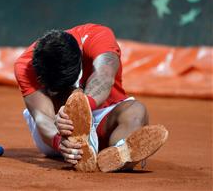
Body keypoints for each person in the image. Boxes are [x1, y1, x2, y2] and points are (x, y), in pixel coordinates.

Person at [14, 23, 168, 172]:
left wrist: (80, 109)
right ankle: (101, 149)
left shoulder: (97, 36)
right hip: (59, 128)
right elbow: (42, 117)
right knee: (71, 96)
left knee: (136, 111)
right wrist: (59, 142)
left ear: (79, 61)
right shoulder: (25, 65)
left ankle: (116, 155)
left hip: (100, 113)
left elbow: (104, 76)